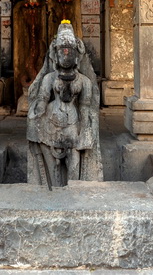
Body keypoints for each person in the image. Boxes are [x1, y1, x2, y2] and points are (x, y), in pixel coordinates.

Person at [27, 20, 103, 187]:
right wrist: (38, 109)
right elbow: (43, 99)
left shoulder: (84, 82)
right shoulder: (49, 78)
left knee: (73, 164)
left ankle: (73, 189)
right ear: (55, 55)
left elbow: (84, 107)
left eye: (70, 52)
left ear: (77, 56)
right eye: (62, 51)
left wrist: (85, 131)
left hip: (73, 125)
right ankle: (51, 187)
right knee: (49, 159)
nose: (66, 55)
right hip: (51, 124)